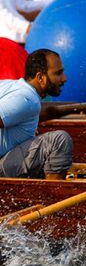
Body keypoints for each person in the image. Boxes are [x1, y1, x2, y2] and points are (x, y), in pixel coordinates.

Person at [0, 49, 72, 179]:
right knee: (59, 140)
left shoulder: (9, 86)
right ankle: (55, 196)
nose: (64, 78)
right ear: (40, 77)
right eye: (58, 73)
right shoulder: (27, 99)